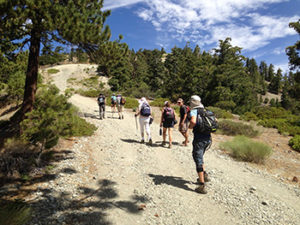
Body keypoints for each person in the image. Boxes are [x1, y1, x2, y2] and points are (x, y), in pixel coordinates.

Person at [188, 95, 211, 194]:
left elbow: (193, 121)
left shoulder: (194, 111)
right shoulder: (206, 111)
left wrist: (190, 127)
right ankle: (204, 175)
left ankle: (201, 185)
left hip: (199, 138)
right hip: (208, 138)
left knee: (198, 159)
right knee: (200, 157)